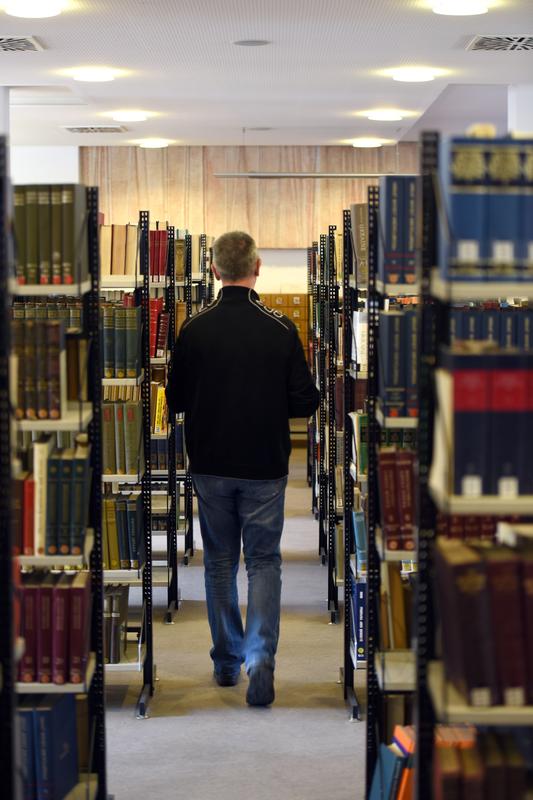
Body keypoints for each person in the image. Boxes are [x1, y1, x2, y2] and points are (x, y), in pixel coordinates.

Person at [166, 231, 319, 707]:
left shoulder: (193, 328)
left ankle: (226, 662)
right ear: (258, 267)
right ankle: (260, 657)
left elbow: (174, 400)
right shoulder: (280, 328)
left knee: (218, 564)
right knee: (264, 563)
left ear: (213, 270)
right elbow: (305, 401)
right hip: (265, 465)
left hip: (210, 463)